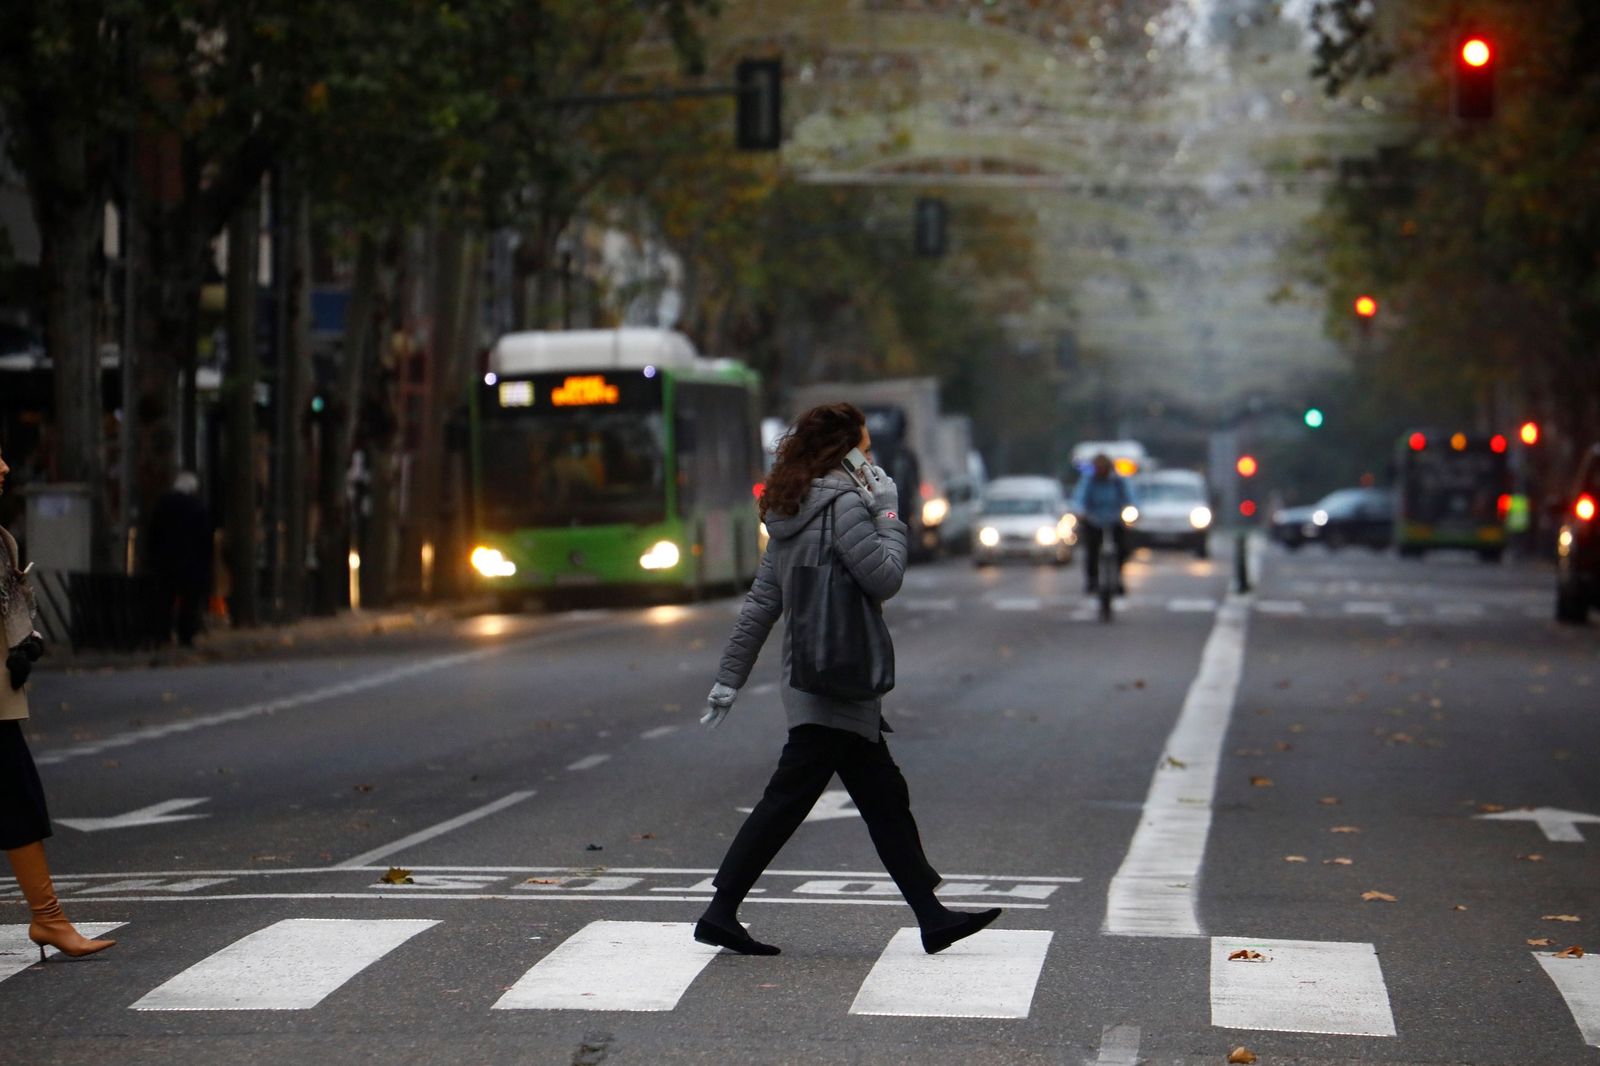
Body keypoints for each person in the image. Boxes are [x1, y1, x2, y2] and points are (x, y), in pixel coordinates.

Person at [694, 402, 1002, 957]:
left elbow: (764, 601)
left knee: (882, 795)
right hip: (839, 677)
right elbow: (884, 579)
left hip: (811, 673)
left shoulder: (788, 507)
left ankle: (931, 916)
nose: (872, 456)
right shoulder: (844, 507)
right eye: (865, 446)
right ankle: (719, 909)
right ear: (848, 451)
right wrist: (888, 512)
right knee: (793, 799)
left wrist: (729, 679)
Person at [0, 442, 116, 961]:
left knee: (19, 797)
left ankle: (48, 918)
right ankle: (48, 918)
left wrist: (27, 643)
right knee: (18, 796)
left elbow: (14, 609)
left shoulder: (1, 541)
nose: (5, 467)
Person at [148, 470, 212, 646]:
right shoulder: (197, 507)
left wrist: (152, 557)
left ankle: (162, 634)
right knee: (189, 602)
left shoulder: (162, 504)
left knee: (164, 600)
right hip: (190, 563)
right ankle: (186, 635)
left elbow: (153, 533)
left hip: (165, 561)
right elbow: (205, 537)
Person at [1072, 453, 1137, 594]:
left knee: (1123, 548)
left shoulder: (1118, 480)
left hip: (1115, 519)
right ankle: (1092, 580)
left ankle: (1118, 577)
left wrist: (1131, 510)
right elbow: (1080, 498)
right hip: (1094, 519)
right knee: (1092, 550)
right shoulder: (1089, 480)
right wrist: (1080, 511)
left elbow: (1130, 497)